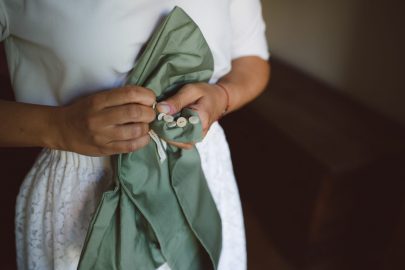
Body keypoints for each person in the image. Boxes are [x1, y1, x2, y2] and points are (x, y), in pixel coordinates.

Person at [0, 0, 270, 269]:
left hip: (202, 171)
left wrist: (222, 96)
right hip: (81, 194)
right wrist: (58, 127)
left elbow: (251, 59)